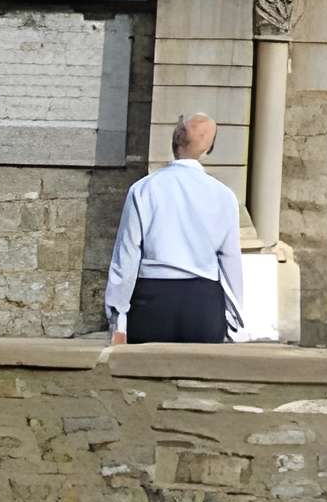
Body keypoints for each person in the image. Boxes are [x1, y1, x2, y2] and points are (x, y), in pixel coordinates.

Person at [105, 112, 244, 345]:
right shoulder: (224, 196)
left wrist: (117, 318)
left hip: (151, 299)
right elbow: (230, 260)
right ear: (208, 148)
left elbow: (126, 256)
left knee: (147, 368)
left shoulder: (143, 189)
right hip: (203, 303)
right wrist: (233, 315)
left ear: (175, 141)